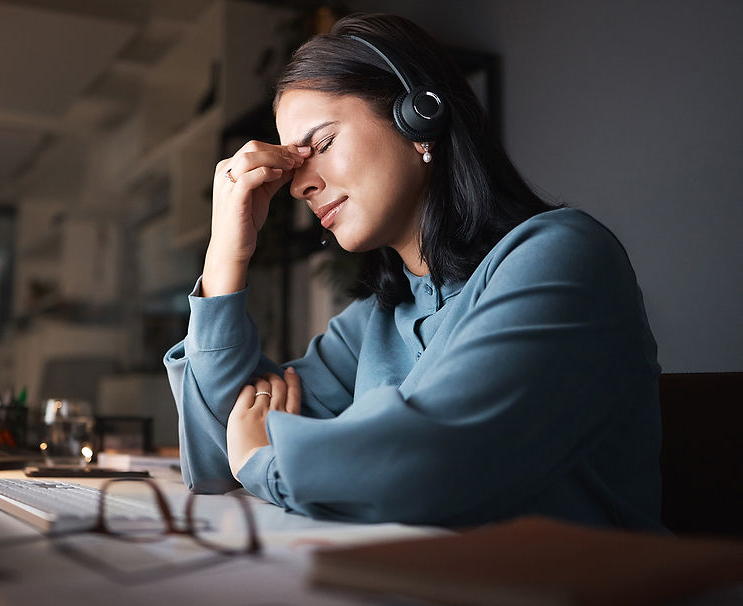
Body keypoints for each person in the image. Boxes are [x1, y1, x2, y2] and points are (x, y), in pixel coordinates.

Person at [163, 13, 662, 531]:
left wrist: (263, 460)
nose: (298, 187)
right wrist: (226, 256)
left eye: (323, 144)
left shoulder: (563, 256)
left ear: (419, 117)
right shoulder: (372, 324)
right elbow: (220, 450)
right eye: (294, 165)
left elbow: (433, 469)